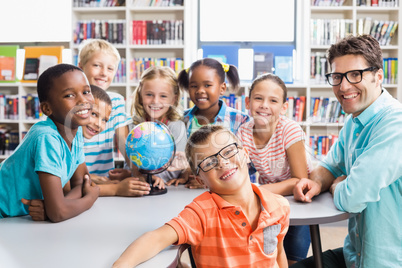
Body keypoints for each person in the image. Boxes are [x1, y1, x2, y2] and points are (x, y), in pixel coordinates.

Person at [291, 34, 402, 268]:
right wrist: (319, 183)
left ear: (378, 76)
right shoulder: (354, 121)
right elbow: (330, 166)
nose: (343, 86)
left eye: (355, 75)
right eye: (337, 76)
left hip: (387, 261)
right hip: (355, 254)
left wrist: (336, 186)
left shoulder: (395, 125)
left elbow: (352, 197)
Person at [113, 125, 290, 268]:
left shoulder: (279, 206)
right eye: (209, 162)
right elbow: (157, 238)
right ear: (200, 180)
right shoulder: (201, 213)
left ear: (245, 154)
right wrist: (123, 264)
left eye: (228, 151)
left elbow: (278, 252)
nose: (222, 163)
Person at [0, 64, 99, 222]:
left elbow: (81, 183)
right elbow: (58, 213)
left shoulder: (75, 129)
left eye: (86, 92)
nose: (83, 100)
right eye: (69, 95)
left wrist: (56, 206)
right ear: (47, 108)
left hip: (14, 219)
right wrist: (90, 199)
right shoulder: (47, 137)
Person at [237, 73, 313, 265]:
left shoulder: (290, 130)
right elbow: (240, 174)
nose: (264, 105)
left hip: (301, 199)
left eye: (273, 100)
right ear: (248, 102)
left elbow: (299, 181)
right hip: (270, 199)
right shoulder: (243, 132)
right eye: (258, 98)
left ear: (284, 107)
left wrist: (255, 191)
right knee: (268, 256)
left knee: (294, 258)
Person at [170, 58, 250, 188]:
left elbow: (245, 163)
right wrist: (186, 173)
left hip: (229, 188)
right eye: (194, 86)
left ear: (222, 88)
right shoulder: (181, 120)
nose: (200, 90)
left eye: (207, 85)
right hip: (188, 191)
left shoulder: (240, 120)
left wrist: (208, 180)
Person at [80, 85, 151, 197]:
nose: (98, 124)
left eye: (105, 120)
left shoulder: (75, 141)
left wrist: (136, 174)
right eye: (93, 114)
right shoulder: (64, 139)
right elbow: (70, 187)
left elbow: (78, 179)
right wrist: (115, 189)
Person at [78, 39, 132, 183]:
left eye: (110, 68)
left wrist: (136, 172)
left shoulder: (117, 102)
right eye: (97, 65)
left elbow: (124, 143)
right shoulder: (73, 103)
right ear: (80, 67)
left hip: (105, 180)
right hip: (73, 179)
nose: (103, 73)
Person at [129, 66, 187, 189]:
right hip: (137, 189)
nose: (155, 101)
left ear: (173, 99)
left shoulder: (177, 127)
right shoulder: (132, 127)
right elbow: (130, 164)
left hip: (168, 191)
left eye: (163, 96)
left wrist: (154, 178)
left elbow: (177, 166)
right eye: (149, 94)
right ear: (140, 96)